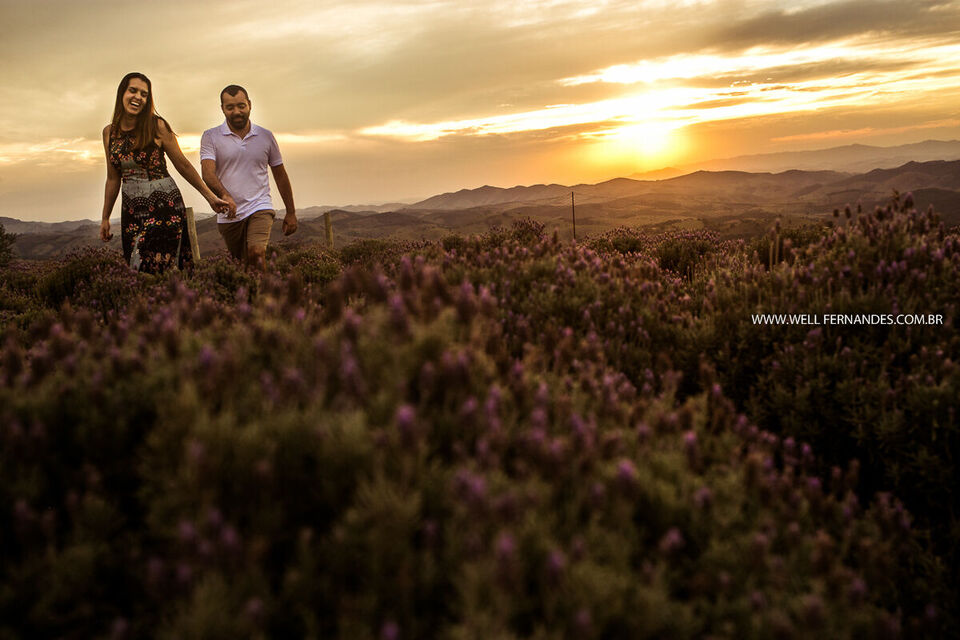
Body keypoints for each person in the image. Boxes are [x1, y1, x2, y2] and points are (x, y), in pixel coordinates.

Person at [100, 72, 228, 273]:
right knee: (136, 271)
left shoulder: (157, 126)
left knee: (154, 268)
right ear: (122, 93)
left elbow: (183, 165)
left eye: (144, 94)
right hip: (131, 211)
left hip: (162, 206)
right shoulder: (109, 133)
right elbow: (113, 178)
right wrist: (105, 217)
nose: (138, 97)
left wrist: (210, 196)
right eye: (133, 91)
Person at [200, 84, 297, 271]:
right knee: (241, 266)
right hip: (229, 214)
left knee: (256, 255)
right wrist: (225, 195)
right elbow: (208, 174)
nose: (237, 111)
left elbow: (280, 175)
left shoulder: (266, 136)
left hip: (260, 206)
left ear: (250, 105)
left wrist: (291, 212)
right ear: (222, 109)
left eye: (241, 106)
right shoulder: (210, 137)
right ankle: (252, 290)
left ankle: (266, 291)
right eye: (230, 107)